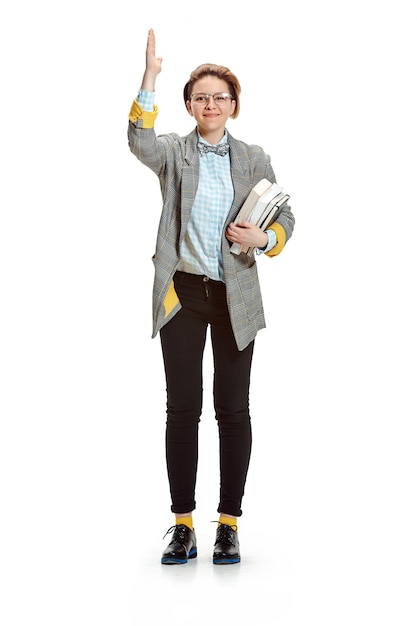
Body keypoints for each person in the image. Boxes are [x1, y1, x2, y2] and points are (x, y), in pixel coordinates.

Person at [128, 29, 295, 565]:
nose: (210, 103)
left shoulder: (253, 156)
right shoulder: (174, 152)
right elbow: (138, 141)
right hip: (181, 293)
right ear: (189, 104)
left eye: (220, 96)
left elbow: (285, 215)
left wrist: (263, 239)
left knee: (233, 409)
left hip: (235, 298)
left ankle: (228, 524)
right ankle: (182, 524)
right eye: (201, 96)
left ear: (234, 105)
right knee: (182, 408)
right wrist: (150, 77)